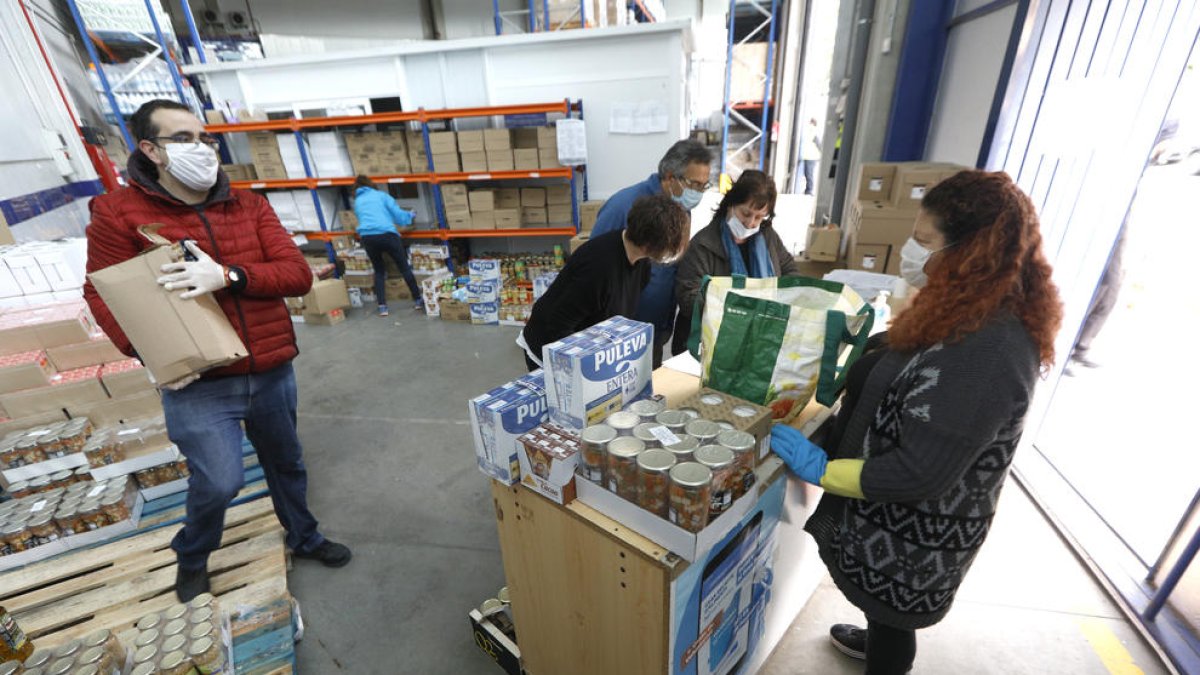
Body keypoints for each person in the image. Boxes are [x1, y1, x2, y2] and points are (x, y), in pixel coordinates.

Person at [769, 170, 1062, 674]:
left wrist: (822, 470)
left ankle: (886, 655)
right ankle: (877, 634)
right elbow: (921, 364)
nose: (910, 250)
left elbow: (918, 473)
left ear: (972, 251)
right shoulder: (969, 303)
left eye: (924, 241)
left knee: (895, 619)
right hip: (890, 523)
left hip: (915, 537)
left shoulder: (991, 350)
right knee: (884, 619)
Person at [83, 99, 351, 602]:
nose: (202, 149)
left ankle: (305, 536)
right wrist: (151, 357)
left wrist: (230, 276)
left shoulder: (247, 205)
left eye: (205, 138)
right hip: (199, 381)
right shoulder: (118, 214)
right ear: (150, 149)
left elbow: (295, 274)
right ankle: (192, 554)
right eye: (183, 139)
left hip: (270, 368)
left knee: (287, 463)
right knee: (221, 480)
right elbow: (102, 293)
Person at [518, 195, 690, 371]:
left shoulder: (641, 261)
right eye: (671, 248)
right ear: (650, 244)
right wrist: (583, 371)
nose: (673, 254)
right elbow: (559, 325)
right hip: (548, 343)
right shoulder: (599, 268)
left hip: (585, 336)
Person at [590, 140, 713, 367]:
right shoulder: (623, 206)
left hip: (656, 328)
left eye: (703, 186)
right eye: (693, 184)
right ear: (669, 177)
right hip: (617, 335)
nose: (698, 193)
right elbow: (594, 269)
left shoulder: (681, 210)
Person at [672, 170, 798, 355]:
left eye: (759, 217)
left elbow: (790, 272)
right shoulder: (703, 244)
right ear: (731, 204)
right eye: (745, 213)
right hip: (709, 343)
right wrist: (741, 310)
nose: (750, 223)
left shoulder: (768, 237)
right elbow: (689, 298)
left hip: (758, 341)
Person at [351, 175, 422, 316]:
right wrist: (409, 216)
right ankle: (418, 300)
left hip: (367, 237)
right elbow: (397, 214)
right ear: (371, 184)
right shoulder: (381, 196)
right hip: (387, 235)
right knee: (404, 267)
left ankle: (382, 306)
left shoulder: (357, 201)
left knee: (379, 271)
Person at [801, 118, 821, 195]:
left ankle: (809, 190)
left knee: (809, 174)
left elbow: (819, 145)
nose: (809, 125)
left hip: (812, 157)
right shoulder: (810, 133)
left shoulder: (814, 133)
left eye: (811, 123)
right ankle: (808, 189)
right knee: (807, 174)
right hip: (808, 156)